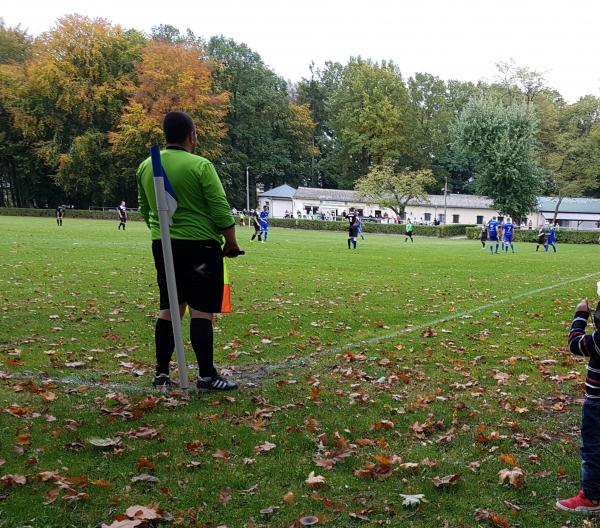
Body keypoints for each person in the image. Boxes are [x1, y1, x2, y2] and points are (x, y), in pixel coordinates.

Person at [136, 111, 240, 391]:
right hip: (200, 248)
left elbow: (145, 209)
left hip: (164, 245)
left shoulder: (148, 166)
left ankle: (160, 373)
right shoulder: (201, 166)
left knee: (169, 308)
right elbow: (219, 206)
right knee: (201, 310)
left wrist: (161, 233)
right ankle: (207, 375)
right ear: (192, 135)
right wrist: (231, 242)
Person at [556, 298, 600, 513]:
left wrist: (580, 316)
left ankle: (591, 497)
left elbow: (576, 344)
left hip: (598, 402)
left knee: (594, 447)